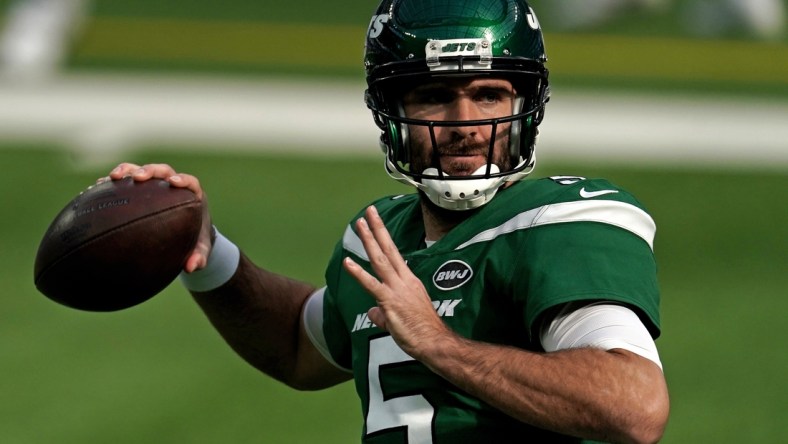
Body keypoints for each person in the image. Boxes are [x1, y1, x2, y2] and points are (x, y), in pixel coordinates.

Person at [104, 0, 670, 442]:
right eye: (433, 96)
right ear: (390, 108)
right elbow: (298, 347)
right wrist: (204, 250)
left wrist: (438, 343)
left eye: (490, 94)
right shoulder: (380, 236)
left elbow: (634, 406)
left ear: (528, 103)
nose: (464, 123)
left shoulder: (559, 222)